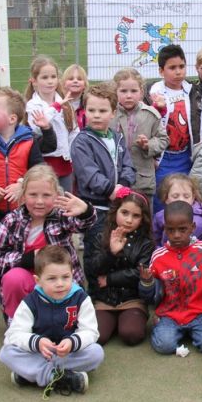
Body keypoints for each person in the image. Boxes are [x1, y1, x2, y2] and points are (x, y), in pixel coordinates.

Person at [0, 164, 97, 320]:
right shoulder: (11, 220)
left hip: (59, 280)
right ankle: (17, 323)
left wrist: (85, 211)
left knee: (62, 325)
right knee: (13, 279)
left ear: (56, 196)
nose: (39, 201)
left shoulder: (61, 216)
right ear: (23, 195)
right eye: (33, 195)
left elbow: (83, 224)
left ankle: (64, 321)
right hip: (28, 281)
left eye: (46, 195)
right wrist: (27, 259)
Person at [0, 246, 104, 395]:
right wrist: (37, 342)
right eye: (52, 278)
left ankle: (30, 374)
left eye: (65, 277)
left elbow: (91, 331)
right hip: (39, 352)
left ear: (72, 275)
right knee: (6, 352)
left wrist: (72, 342)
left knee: (96, 353)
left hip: (67, 353)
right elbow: (14, 334)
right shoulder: (30, 302)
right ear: (38, 280)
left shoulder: (81, 299)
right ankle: (58, 377)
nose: (60, 283)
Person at [139, 201, 202, 354]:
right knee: (164, 346)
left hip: (200, 313)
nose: (176, 235)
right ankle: (161, 326)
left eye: (182, 229)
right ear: (165, 228)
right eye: (171, 230)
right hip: (169, 315)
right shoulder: (158, 256)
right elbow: (149, 296)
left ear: (193, 227)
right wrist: (146, 282)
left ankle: (198, 330)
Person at [0, 87, 49, 297]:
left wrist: (22, 184)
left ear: (12, 118)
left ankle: (22, 283)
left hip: (21, 212)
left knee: (20, 249)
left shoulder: (29, 140)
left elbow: (39, 169)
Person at [70, 83, 136, 267]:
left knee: (119, 249)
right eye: (91, 110)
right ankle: (96, 284)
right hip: (95, 208)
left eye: (102, 110)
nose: (96, 115)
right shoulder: (82, 142)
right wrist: (110, 190)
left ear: (113, 113)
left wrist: (123, 185)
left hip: (118, 205)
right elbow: (89, 174)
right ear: (84, 111)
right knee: (97, 251)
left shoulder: (117, 138)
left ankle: (115, 282)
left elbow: (128, 165)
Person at [84, 189, 153, 346]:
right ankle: (111, 321)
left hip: (132, 300)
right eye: (124, 213)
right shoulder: (101, 236)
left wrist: (110, 279)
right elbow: (93, 269)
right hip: (104, 300)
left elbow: (140, 272)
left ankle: (127, 320)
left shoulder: (146, 243)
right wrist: (111, 253)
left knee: (131, 334)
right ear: (115, 211)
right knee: (97, 337)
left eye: (136, 216)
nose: (129, 220)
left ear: (143, 219)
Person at [149, 45, 198, 203]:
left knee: (184, 197)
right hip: (162, 158)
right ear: (161, 71)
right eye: (172, 68)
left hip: (186, 156)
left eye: (181, 66)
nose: (178, 72)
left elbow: (200, 126)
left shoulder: (193, 93)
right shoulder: (153, 94)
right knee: (162, 198)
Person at [111, 68, 168, 198]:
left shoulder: (151, 114)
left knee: (144, 209)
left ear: (141, 92)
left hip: (143, 180)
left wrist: (148, 145)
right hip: (116, 180)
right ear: (115, 92)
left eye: (133, 91)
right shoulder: (110, 114)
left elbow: (163, 139)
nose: (129, 95)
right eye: (123, 91)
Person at [25, 55, 79, 191]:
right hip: (44, 163)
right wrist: (56, 107)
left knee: (65, 200)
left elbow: (73, 131)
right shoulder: (32, 105)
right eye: (44, 77)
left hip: (64, 163)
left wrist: (72, 155)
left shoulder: (65, 103)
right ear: (34, 81)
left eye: (53, 77)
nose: (50, 81)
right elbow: (39, 125)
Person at [152, 174, 202, 246]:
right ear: (166, 198)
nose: (181, 200)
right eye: (175, 196)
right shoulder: (159, 216)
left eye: (186, 196)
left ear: (193, 198)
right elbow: (155, 240)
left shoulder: (200, 221)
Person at [62, 64, 88, 130]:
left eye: (79, 79)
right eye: (71, 79)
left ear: (85, 84)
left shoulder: (88, 104)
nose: (75, 81)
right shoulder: (59, 102)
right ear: (64, 83)